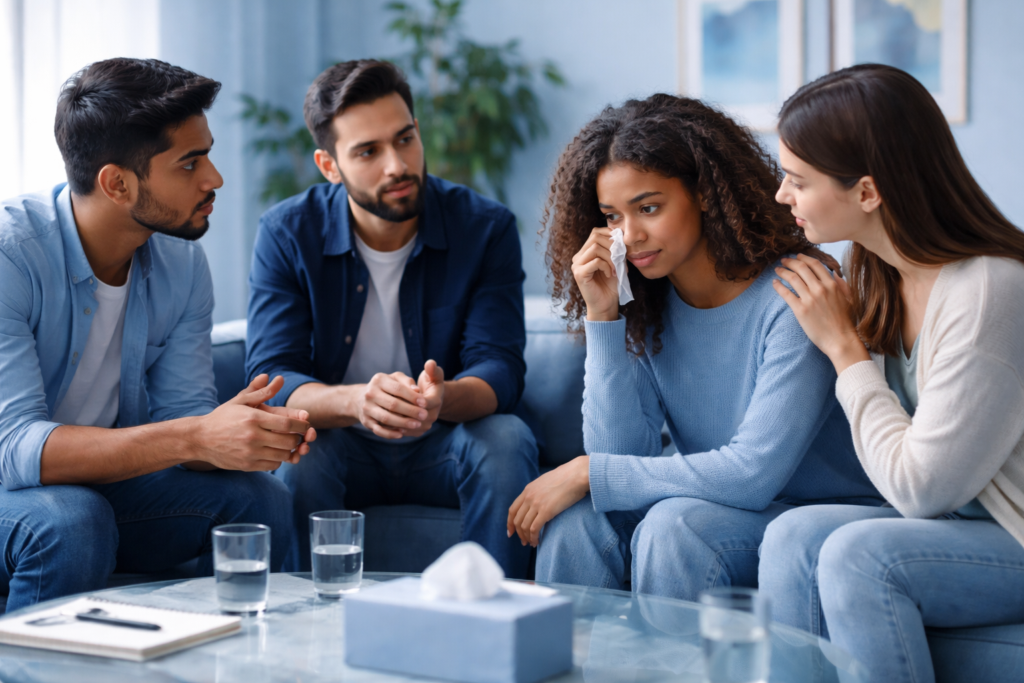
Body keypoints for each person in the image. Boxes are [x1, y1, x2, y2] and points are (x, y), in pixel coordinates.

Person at [510, 93, 880, 599]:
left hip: (812, 516)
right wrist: (603, 315)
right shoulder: (645, 304)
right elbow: (618, 456)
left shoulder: (797, 294)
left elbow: (752, 475)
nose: (630, 235)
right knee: (575, 520)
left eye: (649, 208)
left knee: (673, 525)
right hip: (713, 504)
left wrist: (586, 471)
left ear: (705, 193)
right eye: (612, 217)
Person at [0, 58, 313, 613]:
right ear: (117, 183)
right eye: (190, 163)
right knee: (73, 521)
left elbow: (184, 414)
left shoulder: (182, 262)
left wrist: (244, 435)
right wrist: (193, 436)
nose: (214, 178)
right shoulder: (12, 256)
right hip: (15, 494)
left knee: (259, 498)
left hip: (109, 489)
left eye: (208, 154)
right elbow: (16, 450)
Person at [758, 63, 1024, 683]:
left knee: (861, 557)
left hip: (1009, 531)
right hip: (960, 525)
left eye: (796, 179)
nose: (781, 195)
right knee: (791, 537)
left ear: (868, 193)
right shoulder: (877, 275)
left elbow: (921, 490)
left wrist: (845, 351)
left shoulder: (988, 290)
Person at [247, 60, 538, 578]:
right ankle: (305, 634)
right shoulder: (287, 233)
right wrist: (357, 402)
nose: (397, 165)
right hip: (342, 443)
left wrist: (442, 398)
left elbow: (499, 366)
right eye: (368, 152)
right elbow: (273, 376)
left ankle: (497, 624)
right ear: (329, 165)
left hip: (445, 443)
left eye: (405, 139)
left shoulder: (485, 228)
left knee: (506, 438)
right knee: (300, 454)